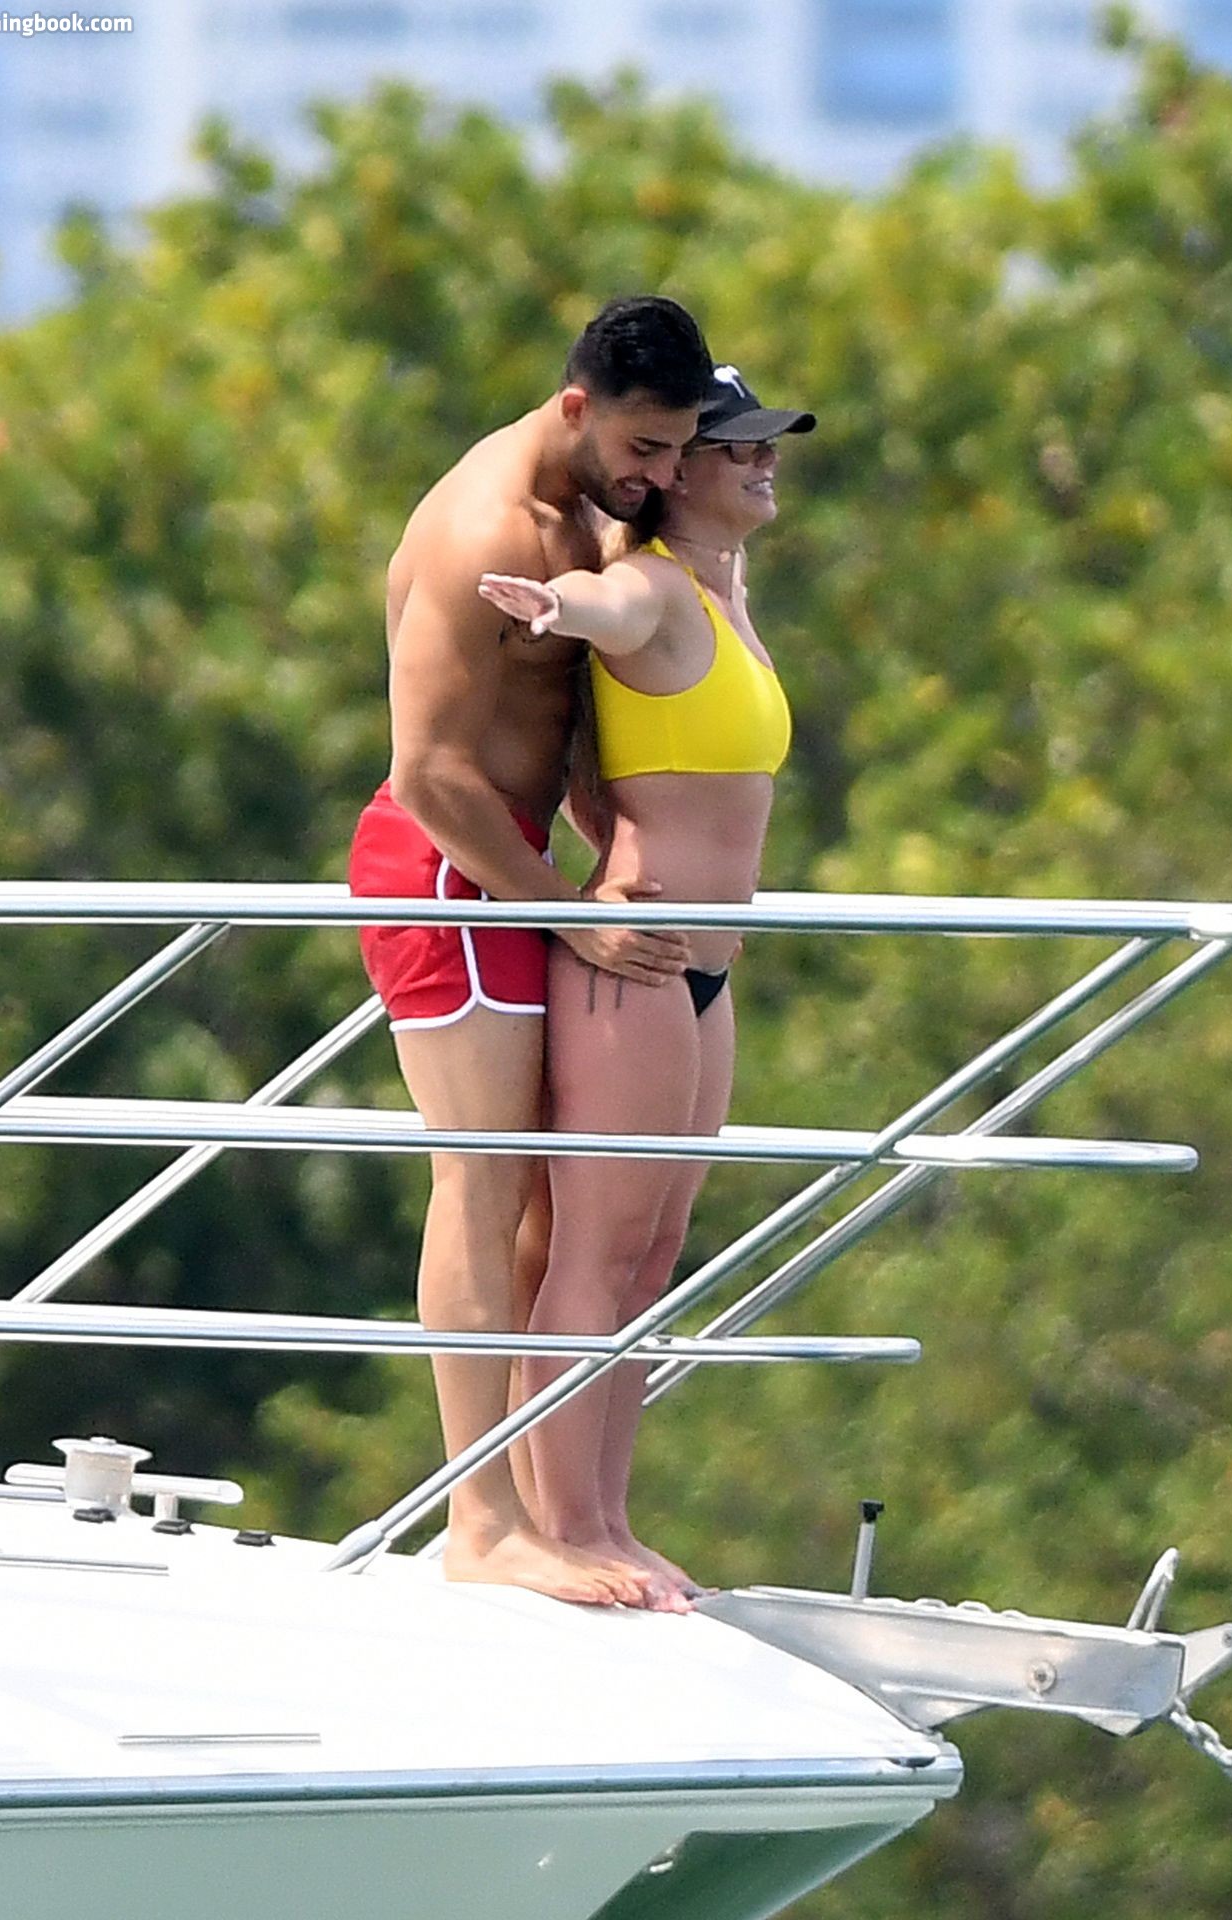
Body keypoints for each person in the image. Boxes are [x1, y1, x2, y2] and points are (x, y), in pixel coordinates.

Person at [348, 297, 712, 1606]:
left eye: (677, 452)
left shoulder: (586, 518)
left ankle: (549, 1514)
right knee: (483, 1182)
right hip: (449, 868)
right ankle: (480, 1524)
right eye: (643, 447)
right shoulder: (482, 529)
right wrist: (565, 909)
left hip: (507, 866)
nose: (658, 476)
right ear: (575, 407)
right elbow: (429, 773)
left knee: (550, 1210)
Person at [479, 365, 815, 1610]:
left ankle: (611, 1516)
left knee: (655, 1252)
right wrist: (551, 604)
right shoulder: (658, 588)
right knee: (596, 1245)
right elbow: (605, 605)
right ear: (678, 472)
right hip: (637, 957)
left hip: (707, 970)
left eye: (767, 446)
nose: (764, 464)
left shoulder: (727, 593)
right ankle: (563, 1525)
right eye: (739, 449)